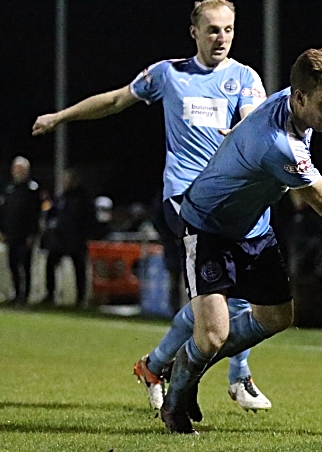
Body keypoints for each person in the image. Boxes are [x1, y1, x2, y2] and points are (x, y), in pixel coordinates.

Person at [160, 46, 322, 434]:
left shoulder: (292, 100)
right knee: (213, 333)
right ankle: (175, 400)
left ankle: (192, 365)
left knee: (278, 317)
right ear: (300, 97)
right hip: (208, 227)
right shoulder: (279, 144)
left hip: (253, 228)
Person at [32, 0, 277, 413]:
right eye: (213, 29)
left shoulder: (244, 77)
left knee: (222, 298)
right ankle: (237, 376)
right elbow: (114, 101)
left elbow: (255, 118)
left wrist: (244, 131)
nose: (222, 38)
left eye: (229, 30)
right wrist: (60, 117)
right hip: (183, 199)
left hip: (229, 197)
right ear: (194, 32)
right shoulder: (169, 74)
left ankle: (157, 365)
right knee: (222, 294)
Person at [40, 169, 96, 307]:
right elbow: (53, 212)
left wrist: (85, 235)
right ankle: (50, 293)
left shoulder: (83, 198)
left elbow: (89, 218)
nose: (65, 182)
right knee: (51, 262)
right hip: (60, 238)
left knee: (79, 267)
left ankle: (81, 298)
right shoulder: (62, 197)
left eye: (67, 180)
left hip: (76, 238)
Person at [0, 156, 42, 306]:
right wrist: (2, 231)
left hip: (25, 235)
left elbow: (35, 214)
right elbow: (3, 212)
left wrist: (32, 234)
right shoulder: (9, 189)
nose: (18, 172)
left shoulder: (32, 189)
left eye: (21, 169)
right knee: (12, 264)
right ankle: (17, 293)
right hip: (11, 233)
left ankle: (26, 295)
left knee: (25, 265)